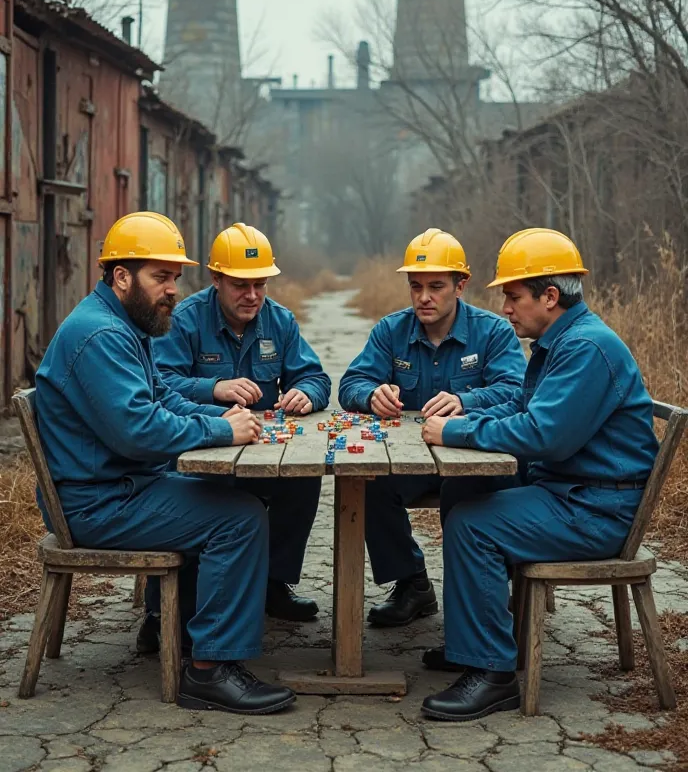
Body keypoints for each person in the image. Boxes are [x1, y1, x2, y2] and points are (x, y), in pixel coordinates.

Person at [35, 212, 295, 715]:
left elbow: (162, 401)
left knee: (228, 499)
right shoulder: (102, 336)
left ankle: (187, 632)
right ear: (122, 276)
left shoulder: (121, 326)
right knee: (239, 518)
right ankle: (209, 671)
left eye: (176, 277)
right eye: (160, 277)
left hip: (118, 488)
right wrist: (223, 430)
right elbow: (139, 432)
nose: (172, 289)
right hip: (98, 504)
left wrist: (224, 414)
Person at [419, 228, 658, 721]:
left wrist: (457, 433)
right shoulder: (563, 341)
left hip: (595, 509)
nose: (506, 309)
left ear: (550, 297)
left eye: (513, 296)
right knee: (462, 487)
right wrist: (466, 418)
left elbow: (545, 435)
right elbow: (522, 406)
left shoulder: (586, 349)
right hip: (574, 491)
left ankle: (493, 674)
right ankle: (477, 641)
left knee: (472, 524)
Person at [338, 228, 526, 627]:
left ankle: (481, 598)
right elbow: (350, 384)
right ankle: (412, 584)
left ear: (461, 285)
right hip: (411, 461)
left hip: (473, 459)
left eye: (436, 286)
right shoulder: (391, 331)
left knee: (469, 492)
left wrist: (467, 401)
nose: (424, 297)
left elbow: (516, 393)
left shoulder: (493, 331)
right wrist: (371, 396)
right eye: (416, 286)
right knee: (367, 483)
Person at [151, 222, 330, 628]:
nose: (252, 296)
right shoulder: (184, 320)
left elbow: (317, 378)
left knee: (304, 478)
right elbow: (159, 383)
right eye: (240, 285)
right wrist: (214, 387)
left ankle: (273, 584)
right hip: (200, 449)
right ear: (216, 279)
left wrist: (306, 393)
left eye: (260, 284)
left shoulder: (280, 321)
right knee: (199, 495)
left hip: (262, 447)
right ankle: (163, 609)